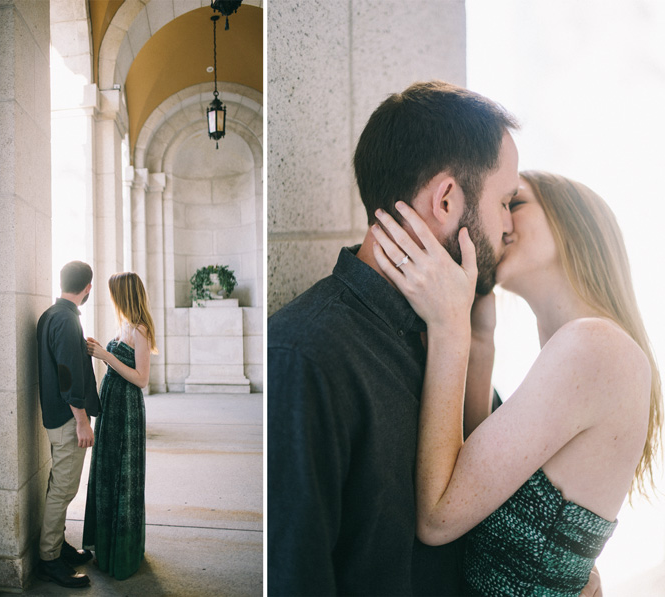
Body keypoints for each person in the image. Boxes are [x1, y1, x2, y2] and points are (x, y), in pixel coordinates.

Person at [268, 81, 523, 596]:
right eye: (505, 202)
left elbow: (497, 511)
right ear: (447, 199)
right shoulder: (304, 357)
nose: (510, 226)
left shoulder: (447, 326)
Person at [371, 171, 661, 595]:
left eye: (515, 203)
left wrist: (449, 328)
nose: (499, 221)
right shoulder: (583, 348)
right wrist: (479, 342)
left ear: (572, 226)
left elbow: (437, 518)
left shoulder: (593, 345)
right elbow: (472, 481)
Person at [83, 272, 157, 580]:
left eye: (114, 293)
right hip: (111, 408)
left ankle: (122, 552)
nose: (111, 298)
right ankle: (105, 544)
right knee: (107, 471)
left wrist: (104, 356)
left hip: (126, 410)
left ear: (124, 295)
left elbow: (141, 378)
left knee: (122, 476)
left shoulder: (140, 329)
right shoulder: (124, 323)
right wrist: (104, 350)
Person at [36, 260, 101, 588]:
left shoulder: (51, 315)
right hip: (66, 419)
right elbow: (67, 375)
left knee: (59, 486)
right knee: (63, 490)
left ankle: (57, 546)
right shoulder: (66, 320)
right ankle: (49, 559)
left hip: (57, 416)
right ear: (87, 288)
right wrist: (81, 422)